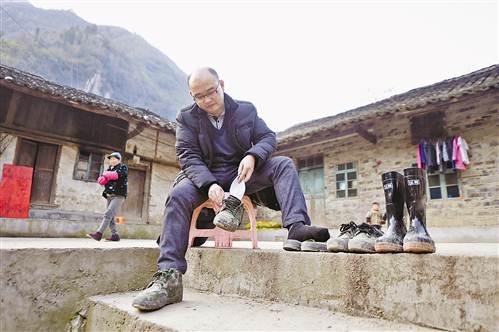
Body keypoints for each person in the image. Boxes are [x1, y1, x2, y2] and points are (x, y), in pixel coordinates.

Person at [132, 67, 330, 311]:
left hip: (241, 173)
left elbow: (268, 137)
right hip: (205, 175)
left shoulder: (246, 110)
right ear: (191, 96)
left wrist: (253, 156)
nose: (206, 100)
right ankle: (169, 277)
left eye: (210, 92)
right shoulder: (186, 118)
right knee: (178, 195)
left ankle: (297, 227)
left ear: (222, 84)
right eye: (198, 96)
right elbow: (188, 155)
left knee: (284, 165)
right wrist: (209, 184)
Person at [87, 152, 128, 242]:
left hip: (119, 195)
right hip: (110, 196)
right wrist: (103, 178)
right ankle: (115, 235)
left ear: (119, 160)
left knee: (108, 214)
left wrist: (105, 175)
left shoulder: (123, 167)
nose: (112, 161)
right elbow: (103, 181)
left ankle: (99, 233)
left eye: (114, 159)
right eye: (111, 159)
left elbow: (116, 175)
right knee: (111, 217)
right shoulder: (109, 169)